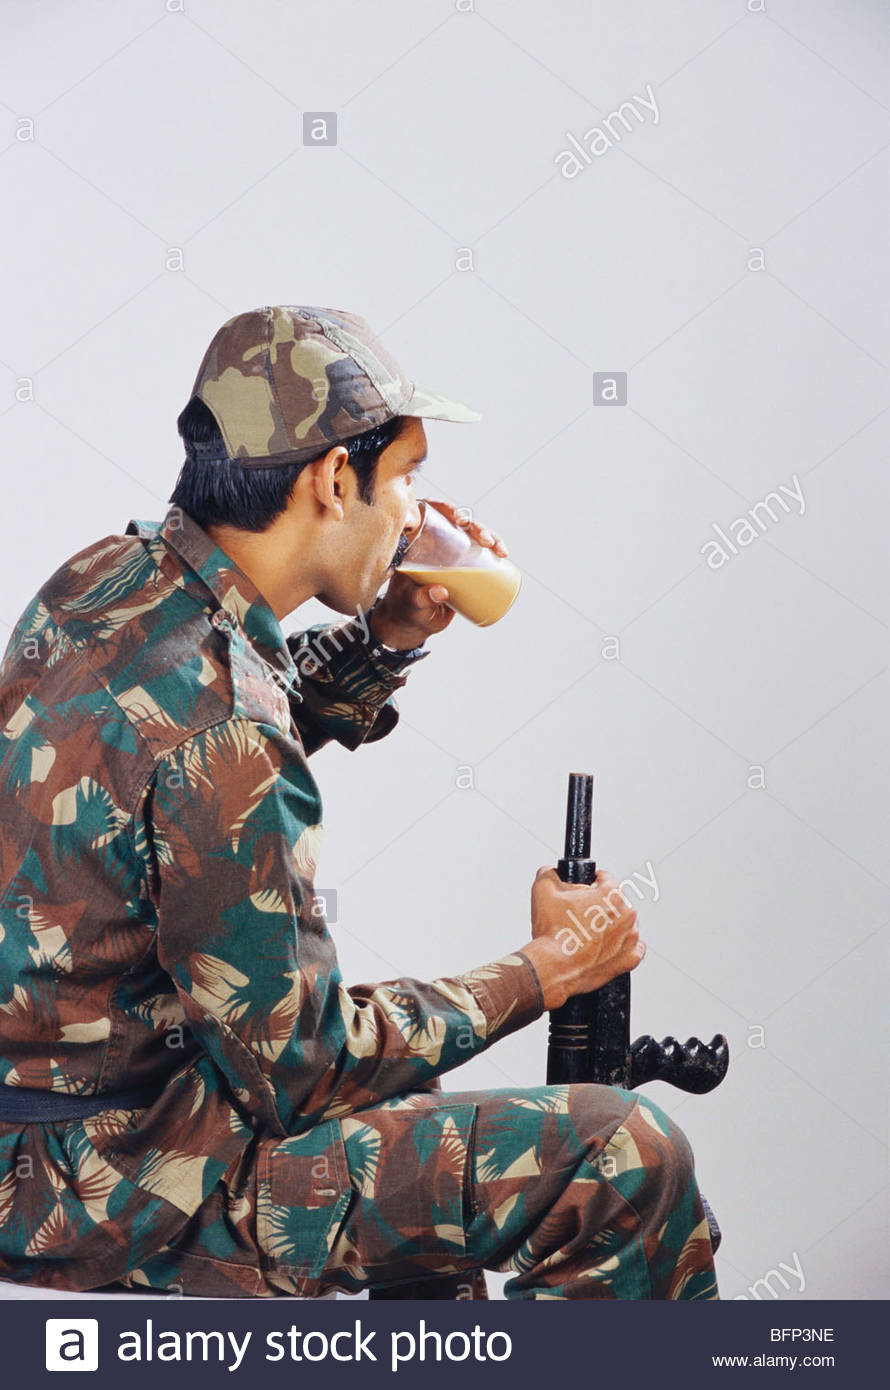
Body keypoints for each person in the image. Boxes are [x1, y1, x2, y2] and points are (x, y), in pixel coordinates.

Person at [0, 305, 718, 1300]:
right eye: (407, 476)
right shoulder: (229, 729)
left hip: (49, 1143)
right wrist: (547, 970)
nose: (416, 514)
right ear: (334, 480)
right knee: (620, 1157)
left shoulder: (112, 580)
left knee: (416, 1120)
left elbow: (189, 757)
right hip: (125, 1192)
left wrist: (380, 640)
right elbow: (308, 1068)